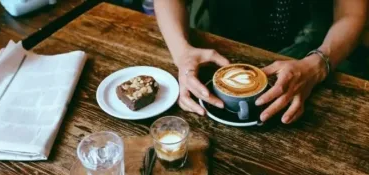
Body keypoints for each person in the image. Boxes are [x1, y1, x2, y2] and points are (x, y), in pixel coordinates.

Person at [154, 0, 368, 124]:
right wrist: (182, 52)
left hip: (311, 44)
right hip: (219, 41)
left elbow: (351, 13)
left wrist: (318, 65)